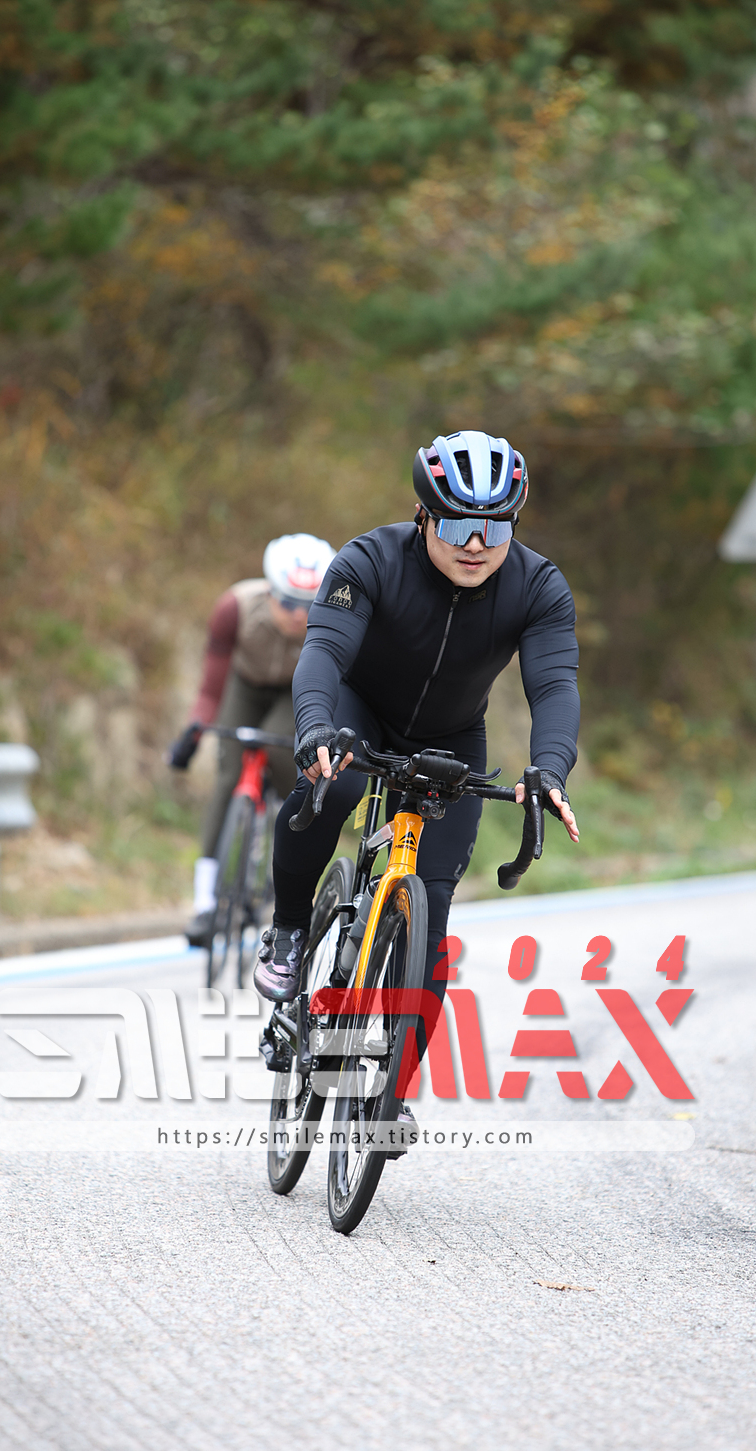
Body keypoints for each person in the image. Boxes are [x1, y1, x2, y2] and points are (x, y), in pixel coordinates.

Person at [252, 430, 582, 1129]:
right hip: (357, 713)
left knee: (430, 912)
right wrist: (314, 728)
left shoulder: (538, 586)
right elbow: (323, 654)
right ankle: (288, 930)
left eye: (495, 527)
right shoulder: (369, 560)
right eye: (457, 525)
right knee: (336, 787)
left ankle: (389, 1098)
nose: (476, 544)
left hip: (451, 736)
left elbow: (554, 687)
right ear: (424, 515)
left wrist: (550, 770)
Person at [167, 533, 337, 946]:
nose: (298, 615)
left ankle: (282, 844)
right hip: (245, 685)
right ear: (270, 590)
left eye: (309, 605)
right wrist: (195, 730)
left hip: (294, 691)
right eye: (288, 602)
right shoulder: (236, 607)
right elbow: (212, 685)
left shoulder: (334, 616)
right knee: (228, 776)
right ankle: (204, 903)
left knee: (281, 748)